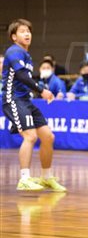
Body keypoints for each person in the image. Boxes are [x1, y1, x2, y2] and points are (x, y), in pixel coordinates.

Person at [2, 19, 66, 192]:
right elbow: (22, 76)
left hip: (25, 101)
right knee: (30, 136)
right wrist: (42, 90)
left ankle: (46, 177)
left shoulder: (27, 55)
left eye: (28, 31)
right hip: (13, 99)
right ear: (14, 37)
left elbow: (26, 79)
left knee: (48, 137)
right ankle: (24, 179)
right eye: (22, 31)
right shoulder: (14, 51)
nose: (27, 34)